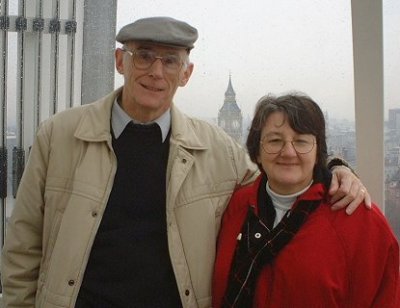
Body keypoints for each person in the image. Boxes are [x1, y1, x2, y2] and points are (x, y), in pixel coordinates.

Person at [1, 17, 370, 308]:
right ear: (120, 62)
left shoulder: (216, 149)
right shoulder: (59, 136)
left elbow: (283, 177)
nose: (156, 72)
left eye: (170, 61)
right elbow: (23, 246)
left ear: (186, 73)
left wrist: (336, 166)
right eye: (143, 56)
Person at [212, 93, 400, 308]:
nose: (288, 152)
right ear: (256, 152)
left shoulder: (361, 220)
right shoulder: (236, 205)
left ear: (319, 151)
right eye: (275, 140)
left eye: (301, 141)